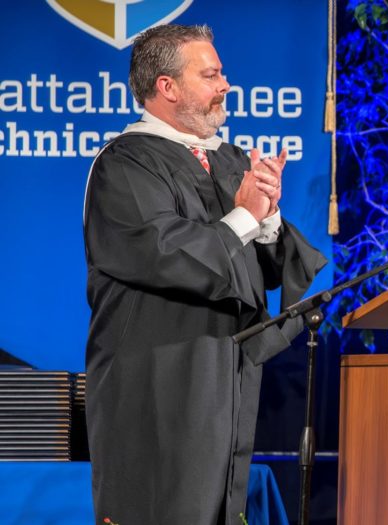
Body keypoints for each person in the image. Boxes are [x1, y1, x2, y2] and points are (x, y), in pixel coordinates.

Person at [83, 24, 326, 524]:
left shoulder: (229, 160)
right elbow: (163, 252)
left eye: (223, 73)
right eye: (210, 74)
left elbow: (268, 271)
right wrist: (242, 217)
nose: (225, 85)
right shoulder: (125, 163)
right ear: (167, 87)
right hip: (156, 378)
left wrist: (268, 215)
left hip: (225, 374)